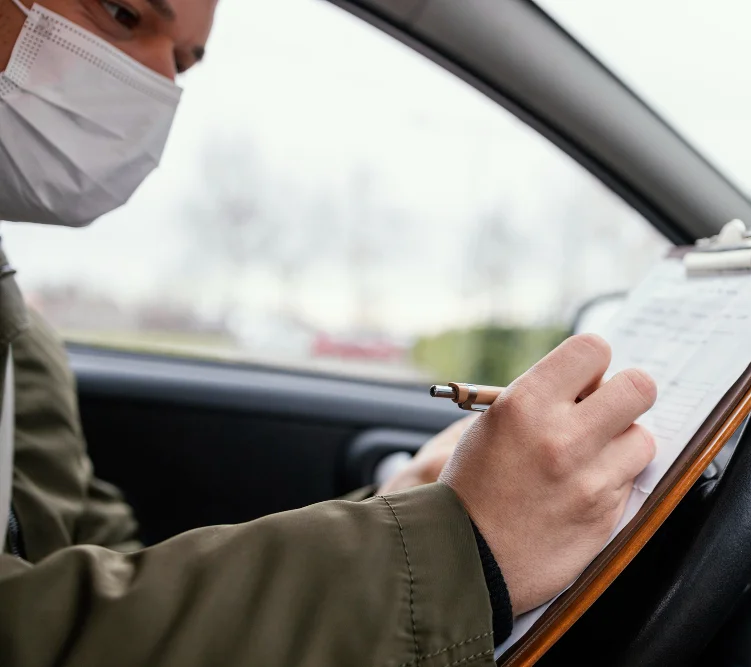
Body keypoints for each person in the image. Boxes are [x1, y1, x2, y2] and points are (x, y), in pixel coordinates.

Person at [0, 1, 658, 665]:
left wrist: (397, 515)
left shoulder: (22, 340)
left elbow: (94, 576)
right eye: (123, 12)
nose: (154, 80)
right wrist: (456, 551)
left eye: (182, 62)